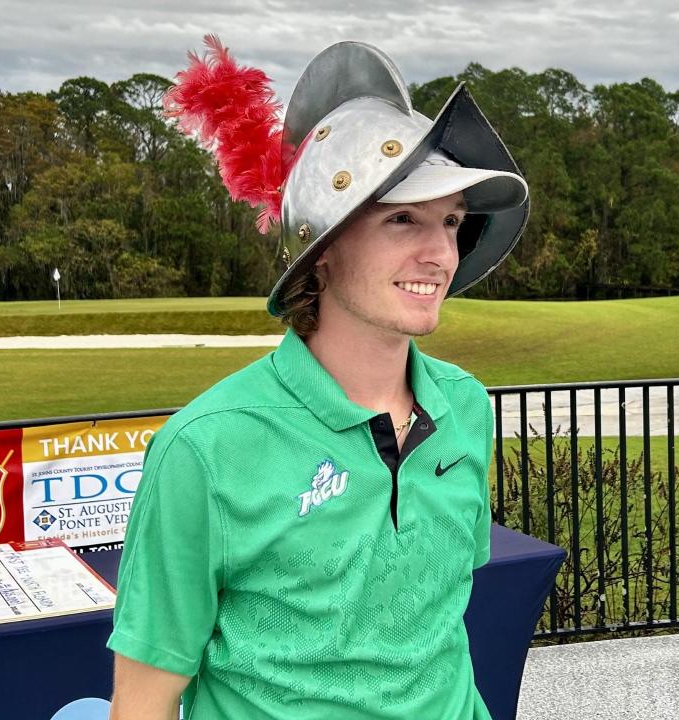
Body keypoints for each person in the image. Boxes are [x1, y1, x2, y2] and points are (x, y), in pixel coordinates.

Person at [106, 38, 529, 720]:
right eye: (402, 220)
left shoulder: (465, 407)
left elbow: (430, 628)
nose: (441, 252)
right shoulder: (205, 450)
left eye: (452, 222)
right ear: (321, 254)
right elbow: (144, 702)